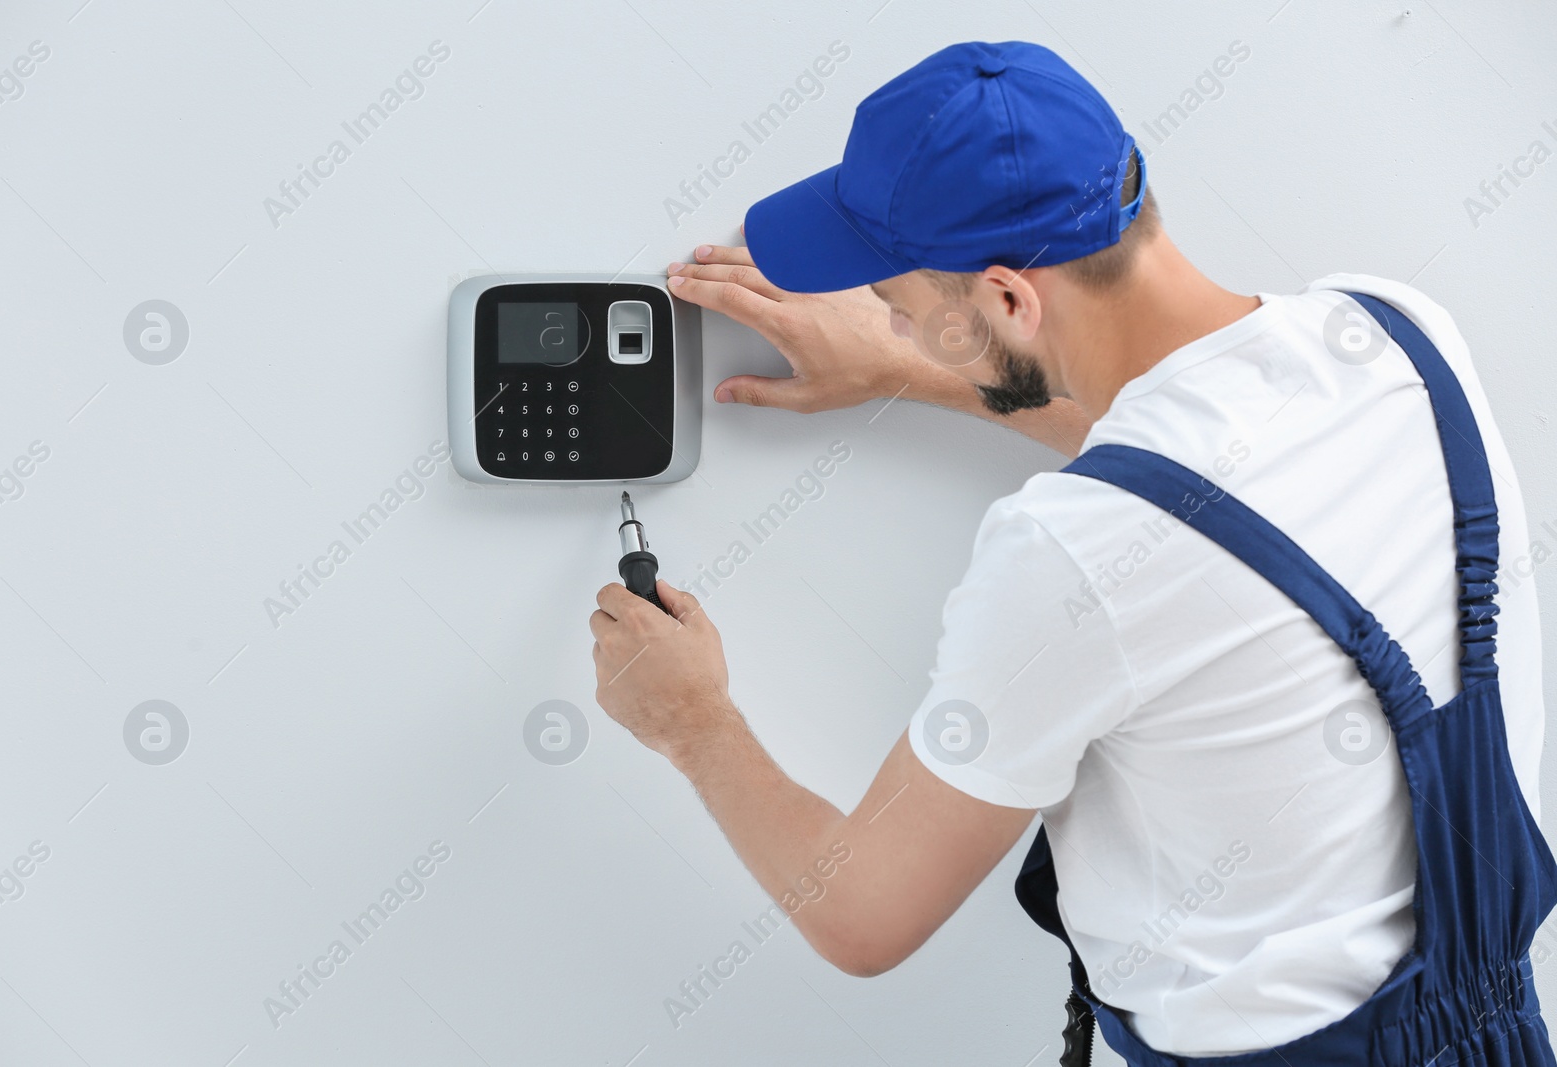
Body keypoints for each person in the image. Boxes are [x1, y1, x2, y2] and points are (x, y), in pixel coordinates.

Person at [588, 40, 1555, 1062]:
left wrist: (690, 718)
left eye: (900, 306)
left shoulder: (1068, 549)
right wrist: (909, 371)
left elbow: (862, 914)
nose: (893, 321)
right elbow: (1206, 475)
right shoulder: (1395, 331)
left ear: (1008, 301)